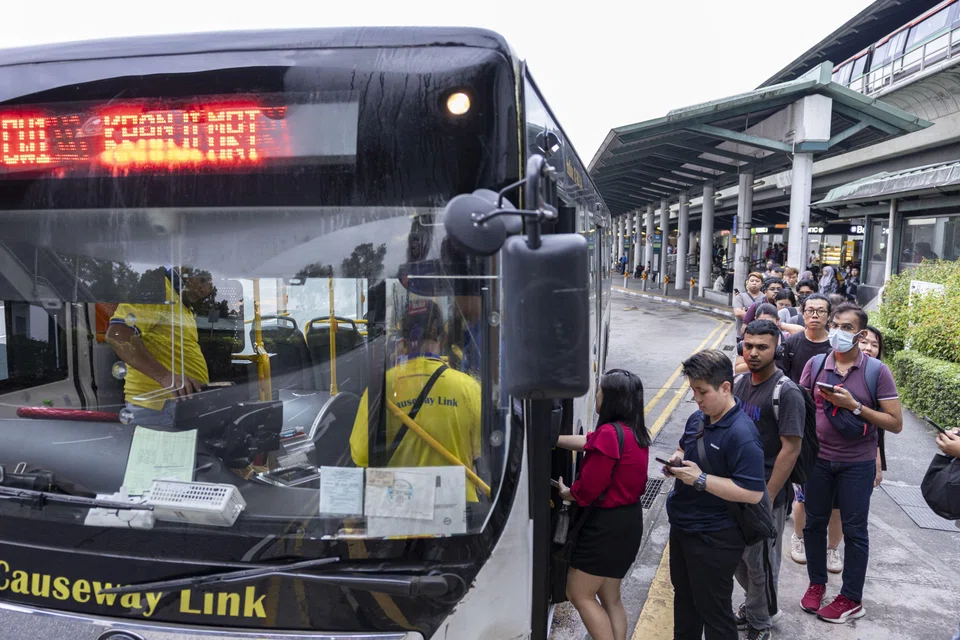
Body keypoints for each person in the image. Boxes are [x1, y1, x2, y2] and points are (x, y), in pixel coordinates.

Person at [799, 303, 903, 623]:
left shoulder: (876, 371)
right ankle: (817, 584)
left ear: (860, 335)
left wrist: (855, 406)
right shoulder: (816, 365)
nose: (837, 332)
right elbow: (800, 410)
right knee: (814, 524)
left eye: (846, 328)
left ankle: (851, 597)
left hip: (856, 464)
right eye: (835, 325)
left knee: (855, 531)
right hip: (818, 461)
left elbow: (895, 423)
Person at [664, 349, 766, 640]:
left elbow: (752, 493)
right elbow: (684, 448)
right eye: (693, 390)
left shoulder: (742, 434)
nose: (696, 398)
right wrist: (676, 461)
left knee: (714, 611)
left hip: (716, 536)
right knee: (685, 601)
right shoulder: (698, 418)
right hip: (683, 526)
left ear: (725, 388)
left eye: (702, 391)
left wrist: (700, 479)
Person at [349, 298, 484, 502]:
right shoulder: (469, 387)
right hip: (458, 514)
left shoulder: (380, 390)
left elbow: (361, 455)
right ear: (444, 336)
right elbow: (479, 452)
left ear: (401, 339)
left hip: (398, 513)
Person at [554, 369, 650, 640]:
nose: (596, 396)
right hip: (629, 521)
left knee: (579, 593)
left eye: (599, 392)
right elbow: (589, 443)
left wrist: (567, 493)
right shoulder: (633, 432)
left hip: (605, 528)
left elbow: (589, 487)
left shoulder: (610, 434)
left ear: (611, 400)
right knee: (611, 598)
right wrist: (554, 439)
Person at [733, 320, 805, 640]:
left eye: (762, 346)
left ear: (777, 347)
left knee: (760, 561)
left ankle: (760, 623)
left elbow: (791, 448)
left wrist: (769, 495)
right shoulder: (737, 384)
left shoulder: (785, 392)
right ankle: (757, 605)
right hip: (734, 487)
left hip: (765, 489)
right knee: (736, 558)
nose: (753, 353)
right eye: (748, 345)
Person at [106, 266, 213, 427]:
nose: (204, 290)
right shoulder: (157, 288)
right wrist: (165, 377)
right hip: (158, 407)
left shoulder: (180, 303)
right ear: (183, 267)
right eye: (202, 280)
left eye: (209, 284)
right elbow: (118, 334)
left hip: (173, 406)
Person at [858, 326, 886, 490]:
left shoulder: (879, 376)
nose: (869, 348)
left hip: (864, 455)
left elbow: (881, 427)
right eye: (864, 342)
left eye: (875, 345)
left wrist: (878, 461)